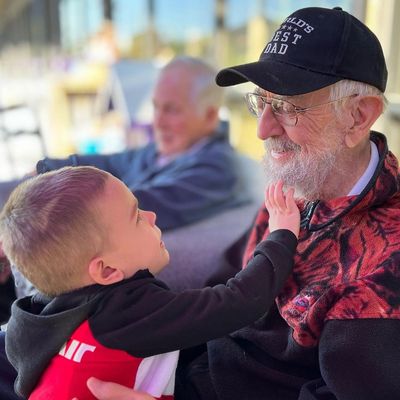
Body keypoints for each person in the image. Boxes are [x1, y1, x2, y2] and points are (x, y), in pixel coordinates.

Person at [72, 5, 400, 400]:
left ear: (358, 117)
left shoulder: (386, 266)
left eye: (287, 107)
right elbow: (225, 288)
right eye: (261, 102)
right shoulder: (298, 185)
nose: (263, 129)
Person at [0, 166, 299, 400]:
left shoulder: (38, 321)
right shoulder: (128, 313)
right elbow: (239, 301)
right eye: (136, 217)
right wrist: (280, 235)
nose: (152, 215)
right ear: (105, 270)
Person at [0, 56, 248, 231]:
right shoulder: (163, 151)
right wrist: (46, 169)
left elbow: (135, 206)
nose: (157, 122)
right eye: (156, 107)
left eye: (171, 110)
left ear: (210, 116)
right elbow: (113, 162)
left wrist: (48, 196)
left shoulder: (218, 169)